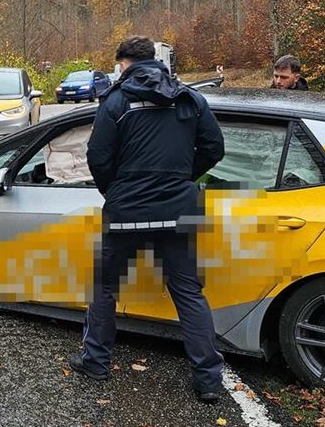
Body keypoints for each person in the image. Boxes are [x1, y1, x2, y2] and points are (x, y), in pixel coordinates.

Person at [69, 35, 226, 403]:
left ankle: (96, 361)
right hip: (178, 212)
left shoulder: (117, 101)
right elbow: (214, 149)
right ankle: (208, 380)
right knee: (188, 292)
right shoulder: (190, 98)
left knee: (105, 288)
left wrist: (117, 190)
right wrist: (182, 179)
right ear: (154, 60)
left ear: (123, 63)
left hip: (127, 213)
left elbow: (98, 156)